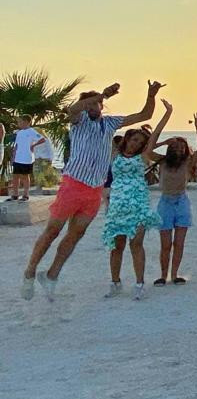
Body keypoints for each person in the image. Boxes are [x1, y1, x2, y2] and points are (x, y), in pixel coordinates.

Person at [22, 81, 162, 301]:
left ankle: (51, 276)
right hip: (73, 184)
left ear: (101, 107)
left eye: (96, 104)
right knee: (52, 231)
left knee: (75, 235)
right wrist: (100, 96)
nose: (92, 107)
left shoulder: (110, 123)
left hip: (94, 190)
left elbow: (145, 114)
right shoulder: (79, 121)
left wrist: (151, 95)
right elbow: (73, 109)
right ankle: (30, 272)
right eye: (89, 104)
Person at [102, 100, 174, 299]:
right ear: (127, 139)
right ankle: (115, 283)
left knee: (136, 244)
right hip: (117, 205)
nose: (136, 144)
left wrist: (167, 113)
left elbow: (156, 134)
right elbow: (104, 132)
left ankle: (140, 283)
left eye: (140, 142)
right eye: (134, 139)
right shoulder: (114, 154)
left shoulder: (142, 157)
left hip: (137, 205)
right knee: (117, 246)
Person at [152, 112, 197, 285]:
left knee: (179, 243)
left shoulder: (187, 163)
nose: (179, 149)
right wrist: (163, 141)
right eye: (175, 146)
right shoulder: (162, 161)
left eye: (182, 147)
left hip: (182, 202)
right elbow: (148, 149)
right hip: (165, 202)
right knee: (166, 244)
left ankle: (174, 275)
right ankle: (163, 275)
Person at [7, 115, 46, 201]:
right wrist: (13, 157)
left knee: (25, 176)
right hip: (18, 158)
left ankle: (25, 195)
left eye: (20, 121)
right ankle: (15, 194)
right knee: (15, 176)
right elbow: (16, 145)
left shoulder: (31, 131)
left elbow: (43, 139)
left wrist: (33, 145)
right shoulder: (19, 132)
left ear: (26, 122)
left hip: (26, 158)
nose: (18, 123)